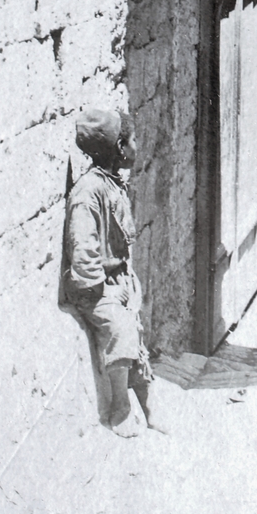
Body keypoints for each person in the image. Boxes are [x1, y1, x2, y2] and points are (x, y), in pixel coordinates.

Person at [59, 108, 162, 436]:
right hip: (93, 288)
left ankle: (150, 409)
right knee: (120, 326)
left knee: (136, 330)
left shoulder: (112, 183)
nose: (137, 147)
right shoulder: (88, 193)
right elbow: (84, 250)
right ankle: (120, 409)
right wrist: (104, 290)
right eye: (133, 141)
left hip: (116, 278)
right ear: (119, 148)